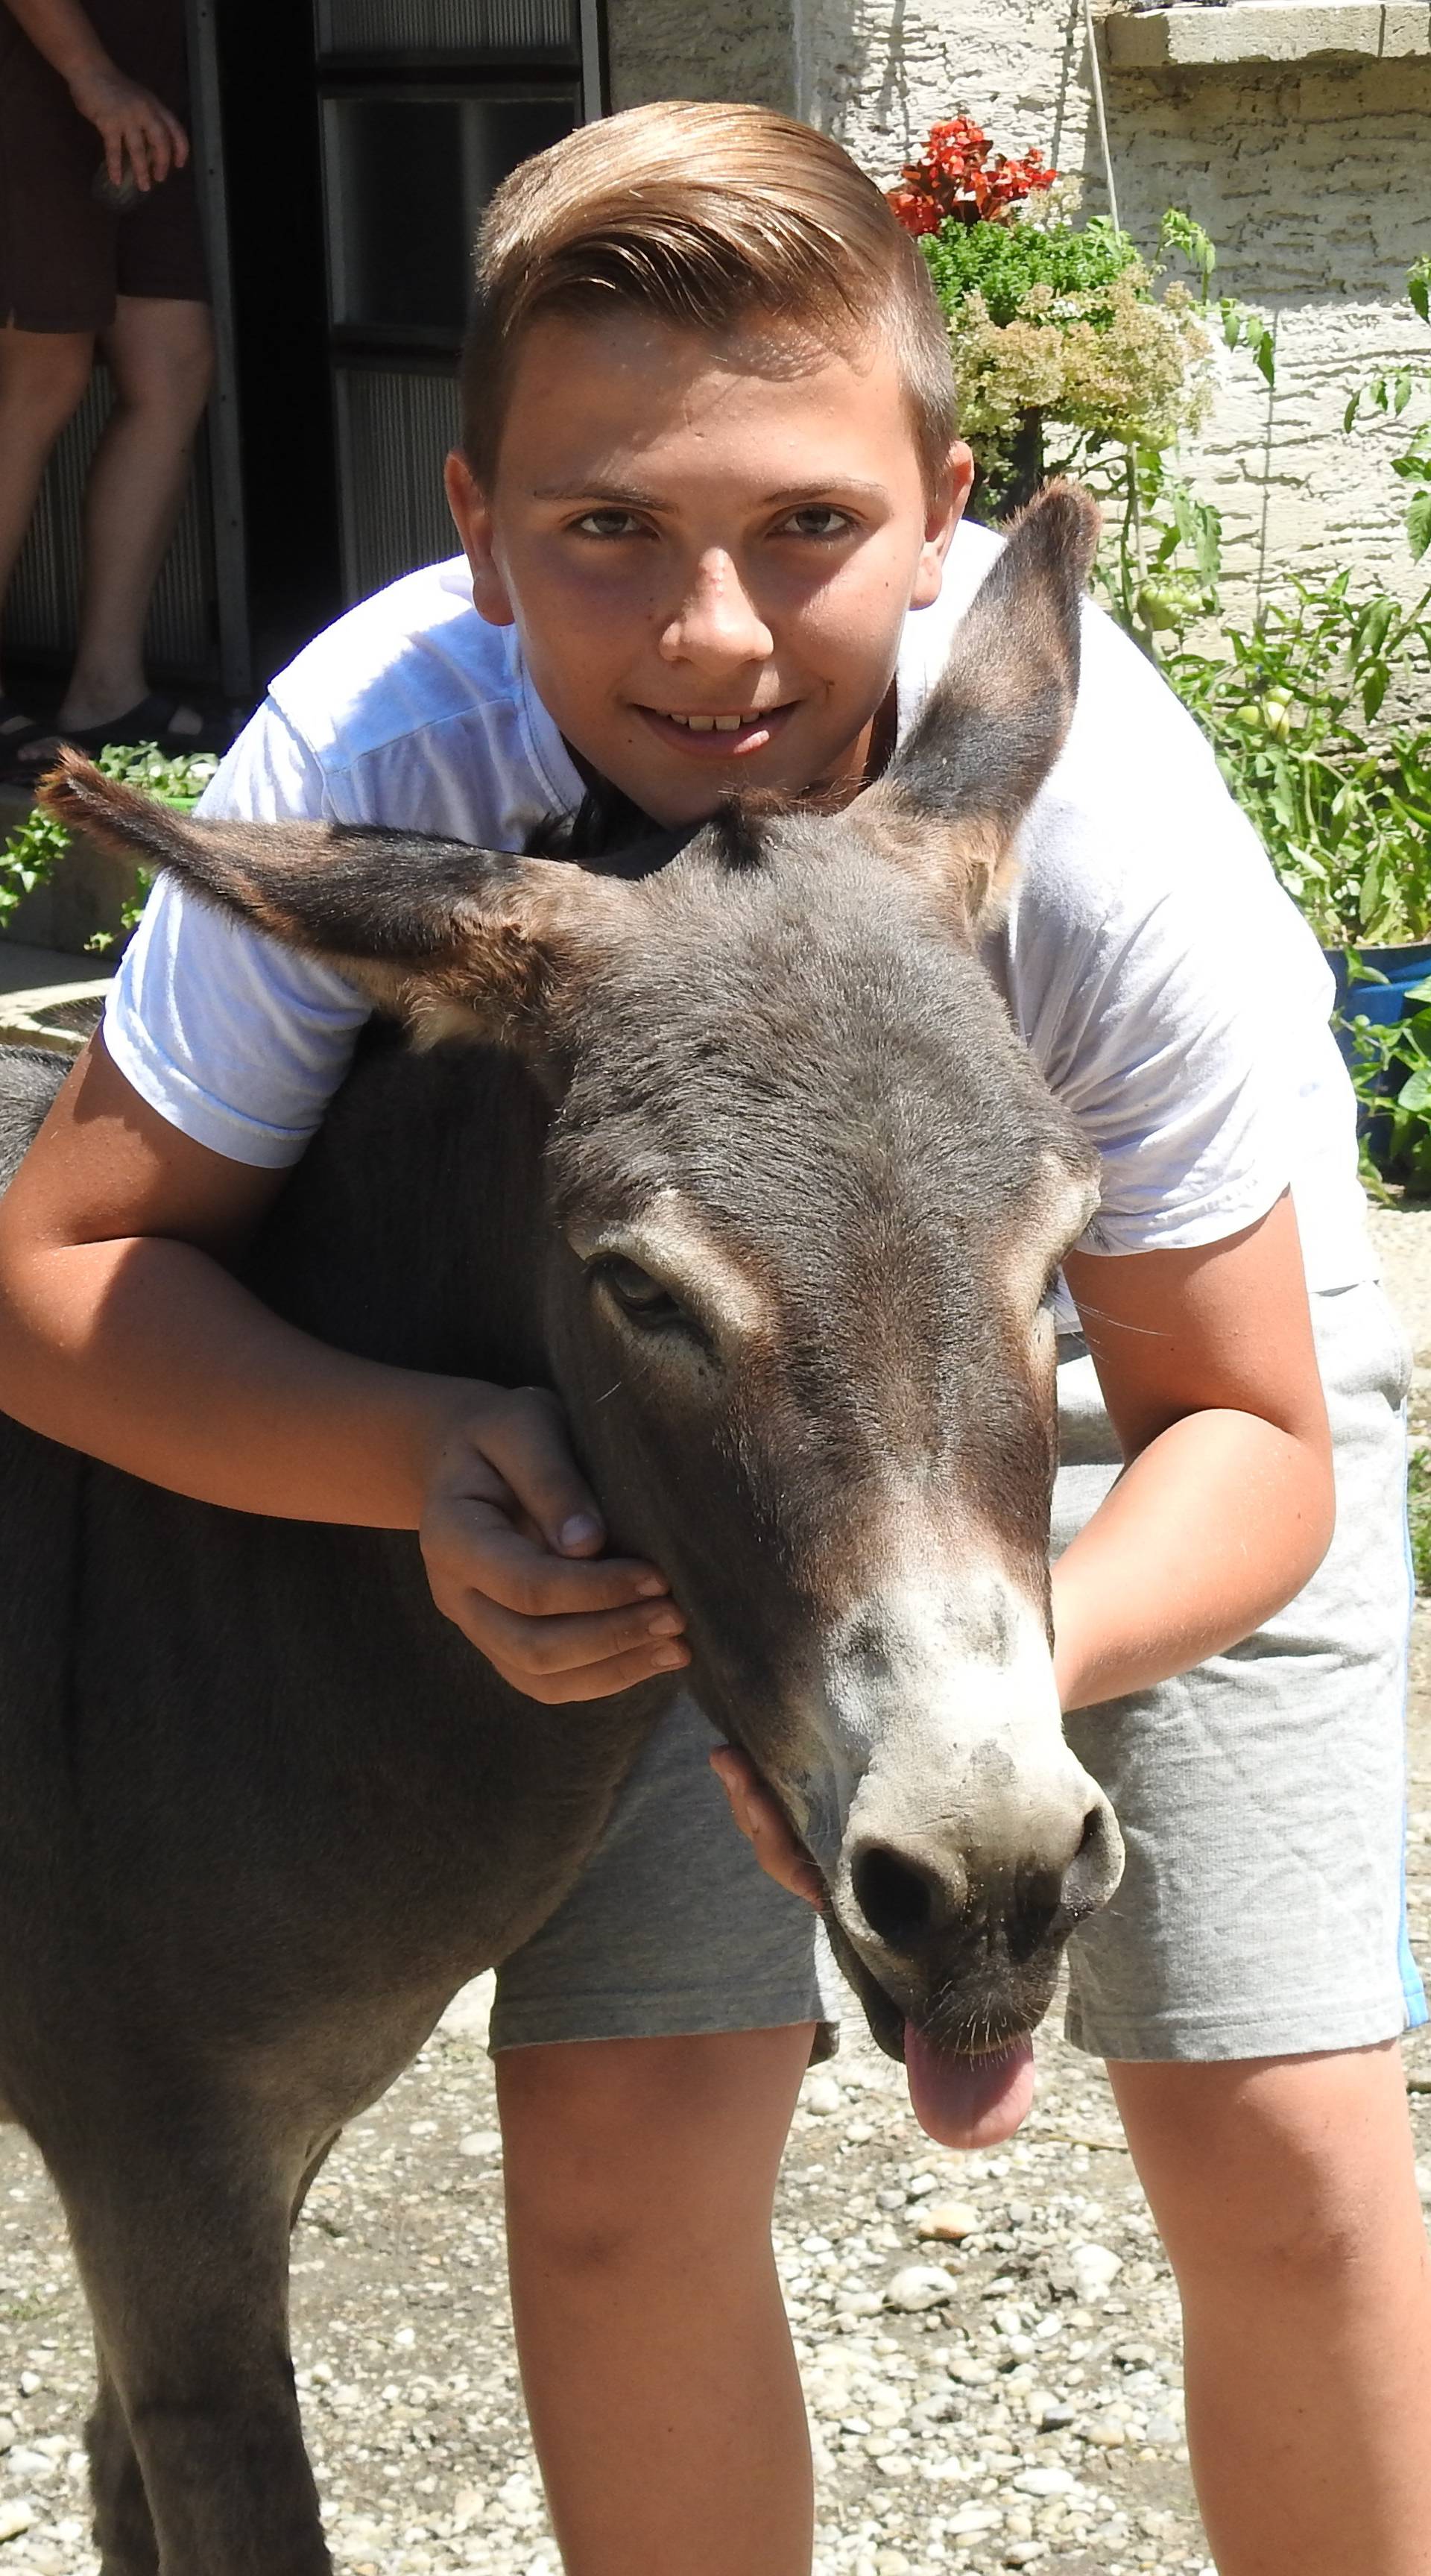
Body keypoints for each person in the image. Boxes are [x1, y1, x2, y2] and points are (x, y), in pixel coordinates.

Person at [0, 97, 1427, 2576]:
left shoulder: (1091, 846)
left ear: (951, 511)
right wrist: (431, 1454)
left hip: (1109, 1345)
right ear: (476, 537)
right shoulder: (386, 749)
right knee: (621, 2157)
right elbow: (59, 1277)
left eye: (808, 530)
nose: (716, 638)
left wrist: (923, 1689)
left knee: (1287, 2133)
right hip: (659, 1383)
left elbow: (1250, 1425)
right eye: (606, 535)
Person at [0, 0, 215, 776]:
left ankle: (107, 691)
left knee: (172, 364)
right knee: (40, 371)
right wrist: (88, 72)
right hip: (45, 75)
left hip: (140, 80)